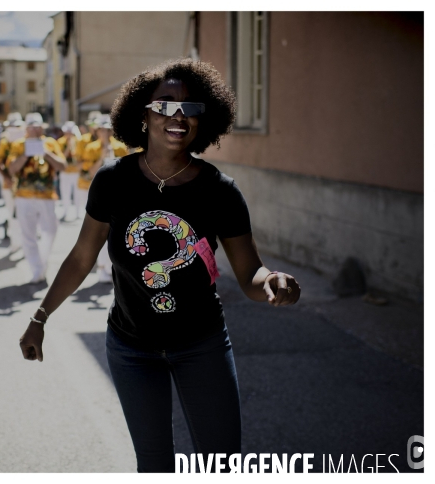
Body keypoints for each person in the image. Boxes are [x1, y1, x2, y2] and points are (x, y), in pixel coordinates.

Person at [19, 59, 301, 473]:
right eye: (165, 105)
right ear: (143, 114)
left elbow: (250, 275)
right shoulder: (112, 181)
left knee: (222, 465)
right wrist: (39, 317)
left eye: (191, 108)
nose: (179, 116)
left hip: (201, 345)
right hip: (131, 348)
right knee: (154, 466)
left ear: (204, 121)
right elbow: (82, 257)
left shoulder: (220, 191)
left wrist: (273, 281)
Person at [6, 112, 66, 284]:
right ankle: (36, 270)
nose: (34, 130)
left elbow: (62, 165)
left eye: (37, 126)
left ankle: (41, 263)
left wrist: (45, 152)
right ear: (26, 128)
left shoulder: (50, 142)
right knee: (28, 235)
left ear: (42, 127)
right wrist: (26, 153)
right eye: (31, 127)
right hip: (23, 196)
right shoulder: (18, 144)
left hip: (46, 195)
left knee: (51, 231)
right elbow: (11, 170)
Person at [80, 114, 128, 282]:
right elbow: (90, 172)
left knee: (115, 233)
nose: (105, 133)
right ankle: (101, 267)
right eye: (101, 130)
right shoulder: (91, 147)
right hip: (96, 193)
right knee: (97, 232)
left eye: (107, 129)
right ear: (97, 131)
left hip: (117, 194)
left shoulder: (121, 147)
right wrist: (102, 155)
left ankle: (112, 266)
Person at [0, 112, 24, 250]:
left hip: (24, 183)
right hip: (10, 184)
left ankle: (25, 241)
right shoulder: (4, 142)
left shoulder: (25, 141)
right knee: (12, 212)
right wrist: (6, 178)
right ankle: (15, 241)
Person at [56, 121, 83, 221]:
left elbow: (78, 156)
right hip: (65, 172)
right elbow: (61, 157)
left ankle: (78, 213)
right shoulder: (60, 142)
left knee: (77, 194)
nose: (69, 134)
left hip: (76, 172)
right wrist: (68, 146)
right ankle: (65, 212)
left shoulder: (78, 141)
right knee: (65, 193)